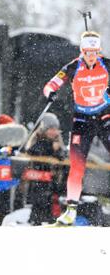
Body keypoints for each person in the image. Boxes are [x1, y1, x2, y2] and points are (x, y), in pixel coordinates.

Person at [43, 31, 110, 226]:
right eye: (88, 52)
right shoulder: (73, 67)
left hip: (105, 116)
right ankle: (71, 211)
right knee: (76, 165)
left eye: (94, 52)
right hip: (82, 119)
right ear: (82, 51)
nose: (91, 56)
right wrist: (50, 94)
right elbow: (50, 85)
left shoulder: (106, 63)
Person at [24, 113, 66, 225]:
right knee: (38, 201)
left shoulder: (58, 139)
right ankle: (36, 220)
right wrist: (50, 146)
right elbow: (32, 151)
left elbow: (62, 157)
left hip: (52, 178)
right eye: (50, 129)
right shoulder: (37, 137)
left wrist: (57, 151)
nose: (53, 132)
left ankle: (49, 219)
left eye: (55, 129)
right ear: (45, 129)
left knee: (50, 203)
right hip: (38, 177)